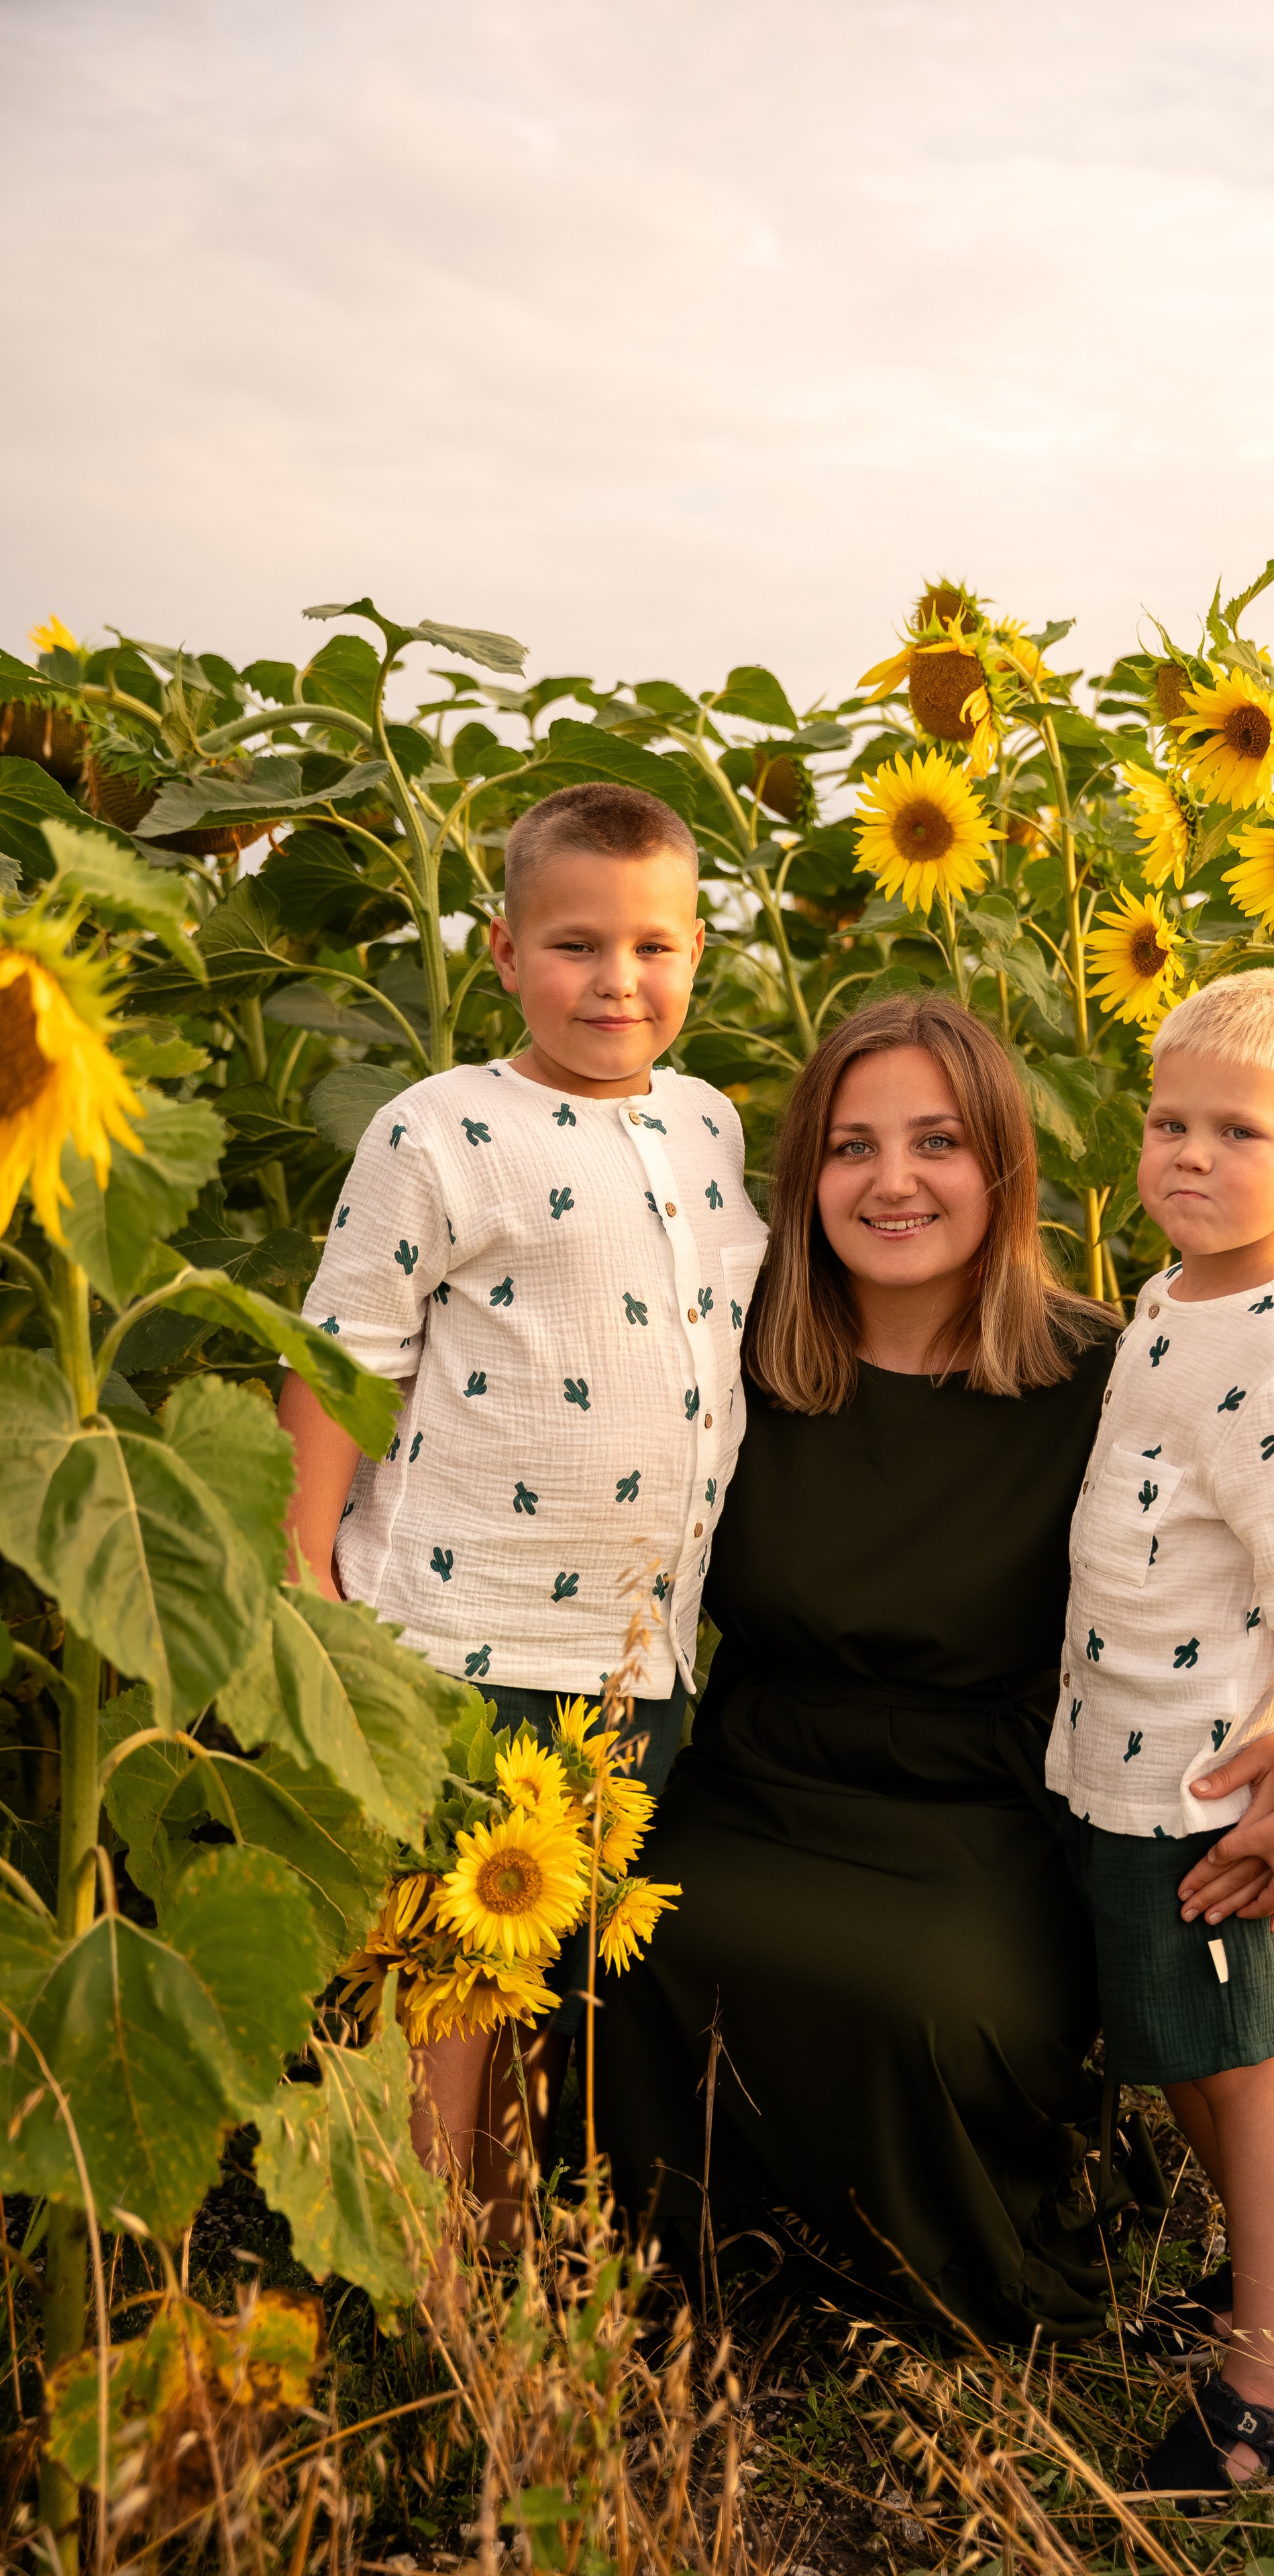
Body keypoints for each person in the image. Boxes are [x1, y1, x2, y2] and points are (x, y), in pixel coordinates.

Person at [595, 993, 1274, 2339]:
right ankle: (675, 2260)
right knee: (622, 1956)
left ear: (1000, 1165)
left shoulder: (1113, 1374)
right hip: (757, 1777)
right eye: (850, 1148)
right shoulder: (729, 1361)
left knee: (917, 2000)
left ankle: (925, 2270)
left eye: (936, 1142)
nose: (893, 1181)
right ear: (804, 1179)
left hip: (996, 1810)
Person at [278, 780, 765, 2235]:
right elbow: (343, 1354)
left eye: (652, 947)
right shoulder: (441, 1130)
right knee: (445, 1968)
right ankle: (424, 2257)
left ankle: (509, 2214)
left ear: (695, 957)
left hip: (641, 1643)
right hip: (465, 1623)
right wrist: (306, 1561)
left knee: (555, 1944)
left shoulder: (709, 1124)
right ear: (501, 952)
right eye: (574, 945)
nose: (616, 981)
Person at [1045, 968, 1274, 2491]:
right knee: (1181, 2036)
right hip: (1127, 1752)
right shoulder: (1180, 1296)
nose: (1187, 1153)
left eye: (1237, 1130)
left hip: (1209, 1775)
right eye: (1166, 1120)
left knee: (1241, 2059)